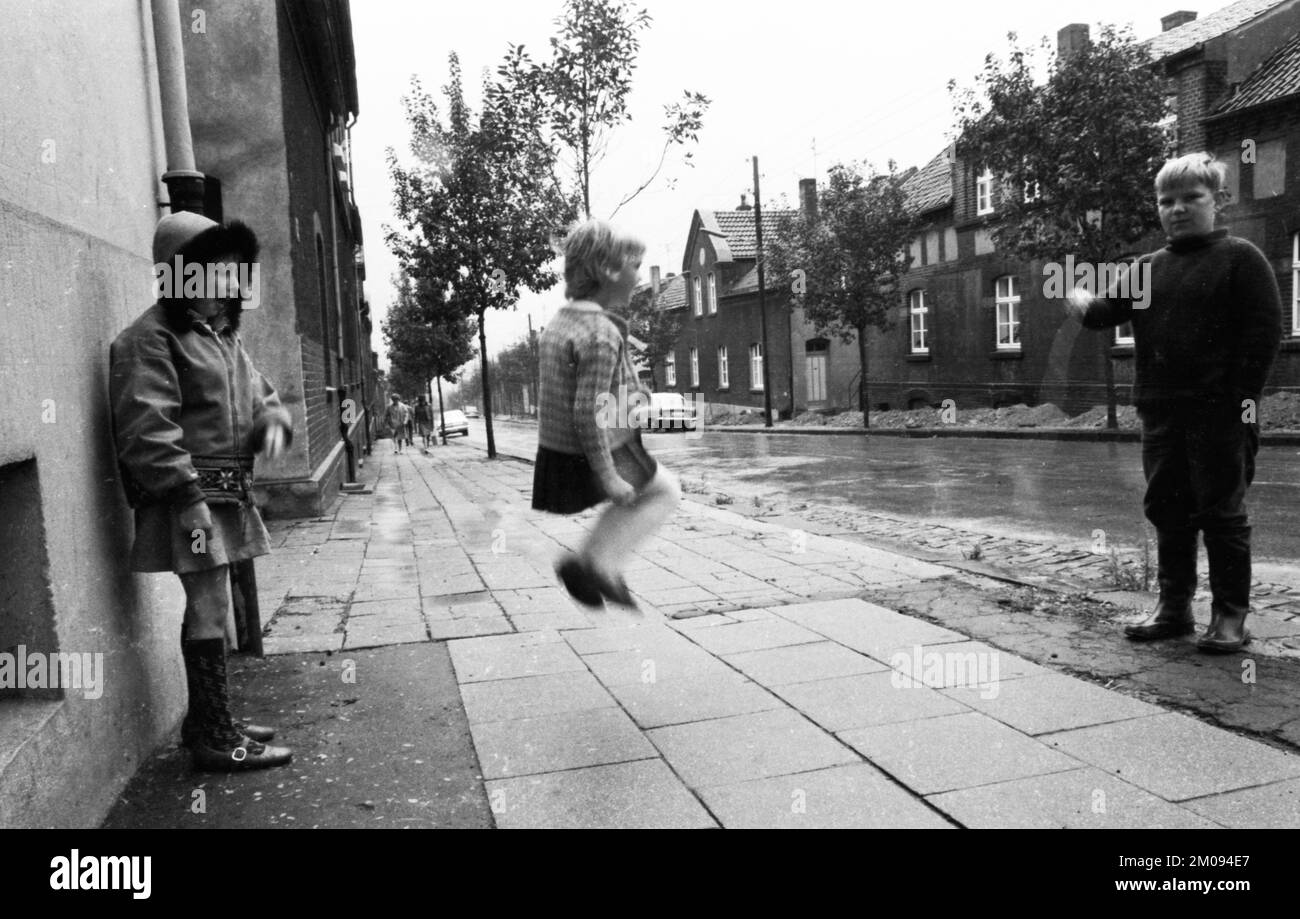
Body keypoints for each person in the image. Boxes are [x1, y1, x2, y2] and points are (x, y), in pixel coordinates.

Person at [1067, 152, 1282, 653]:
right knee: (1168, 510)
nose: (1177, 209)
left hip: (1221, 412)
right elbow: (1104, 312)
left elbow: (1263, 339)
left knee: (1221, 513)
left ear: (1218, 201)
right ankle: (1173, 608)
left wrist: (1241, 403)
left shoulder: (1241, 259)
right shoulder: (1148, 268)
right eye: (1167, 201)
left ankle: (1230, 617)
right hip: (1161, 411)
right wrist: (1076, 296)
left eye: (1191, 198)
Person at [110, 210, 294, 771]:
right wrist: (189, 499)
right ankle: (216, 739)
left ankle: (208, 720)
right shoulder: (148, 340)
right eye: (219, 272)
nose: (232, 285)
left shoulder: (222, 339)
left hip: (224, 500)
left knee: (213, 606)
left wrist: (274, 421)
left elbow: (262, 394)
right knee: (210, 606)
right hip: (188, 506)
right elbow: (147, 431)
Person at [532, 219, 681, 609]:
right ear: (608, 271)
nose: (639, 277)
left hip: (558, 453)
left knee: (640, 494)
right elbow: (587, 411)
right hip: (586, 455)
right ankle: (597, 564)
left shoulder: (564, 320)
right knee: (665, 491)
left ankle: (593, 565)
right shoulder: (599, 332)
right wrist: (609, 476)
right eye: (634, 266)